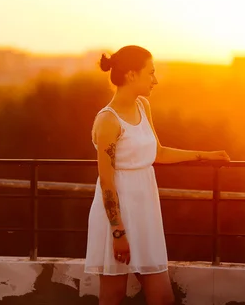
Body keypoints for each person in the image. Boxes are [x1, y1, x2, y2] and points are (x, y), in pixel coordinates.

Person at [85, 45, 230, 305]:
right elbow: (107, 181)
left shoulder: (143, 106)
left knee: (162, 297)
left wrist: (205, 155)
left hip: (145, 211)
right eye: (150, 73)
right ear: (131, 75)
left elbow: (158, 153)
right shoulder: (108, 121)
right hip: (118, 217)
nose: (156, 79)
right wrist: (118, 233)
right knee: (113, 296)